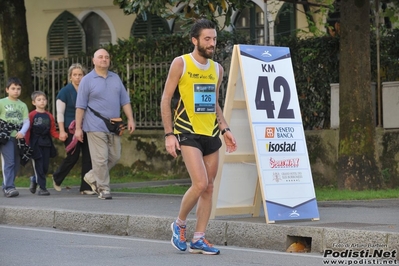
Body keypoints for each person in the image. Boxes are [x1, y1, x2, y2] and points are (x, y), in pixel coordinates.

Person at [160, 19, 237, 255]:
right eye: (207, 39)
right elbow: (166, 99)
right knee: (200, 183)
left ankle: (199, 238)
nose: (212, 43)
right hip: (187, 130)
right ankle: (179, 224)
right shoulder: (181, 63)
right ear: (195, 40)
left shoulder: (217, 69)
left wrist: (225, 129)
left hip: (210, 133)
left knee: (209, 187)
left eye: (214, 39)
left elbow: (214, 103)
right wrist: (169, 134)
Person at [74, 48, 136, 200]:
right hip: (94, 126)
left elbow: (125, 101)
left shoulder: (115, 78)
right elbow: (80, 106)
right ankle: (103, 188)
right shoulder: (87, 80)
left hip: (114, 125)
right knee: (100, 159)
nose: (104, 59)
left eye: (106, 57)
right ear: (93, 61)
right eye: (100, 57)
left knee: (114, 156)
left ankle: (91, 176)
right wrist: (78, 128)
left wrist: (131, 119)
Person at [52, 63, 95, 195]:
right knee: (73, 156)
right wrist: (62, 131)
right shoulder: (64, 92)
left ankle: (85, 187)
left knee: (88, 156)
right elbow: (59, 113)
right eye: (74, 75)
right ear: (70, 77)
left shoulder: (87, 91)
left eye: (80, 75)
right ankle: (57, 177)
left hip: (86, 127)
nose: (78, 78)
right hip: (70, 128)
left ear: (84, 76)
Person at [0, 77, 30, 198]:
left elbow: (26, 121)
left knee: (17, 163)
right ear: (7, 89)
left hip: (17, 138)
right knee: (9, 162)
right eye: (13, 88)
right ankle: (9, 188)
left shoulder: (22, 105)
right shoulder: (2, 102)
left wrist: (22, 132)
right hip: (5, 138)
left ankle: (6, 184)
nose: (16, 91)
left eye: (18, 89)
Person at [25, 91, 59, 196]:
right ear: (34, 102)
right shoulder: (31, 115)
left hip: (46, 143)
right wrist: (27, 143)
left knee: (45, 167)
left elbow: (52, 130)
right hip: (35, 143)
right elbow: (28, 129)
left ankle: (34, 179)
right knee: (38, 165)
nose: (42, 102)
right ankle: (42, 188)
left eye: (44, 99)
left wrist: (59, 136)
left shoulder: (49, 115)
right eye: (39, 100)